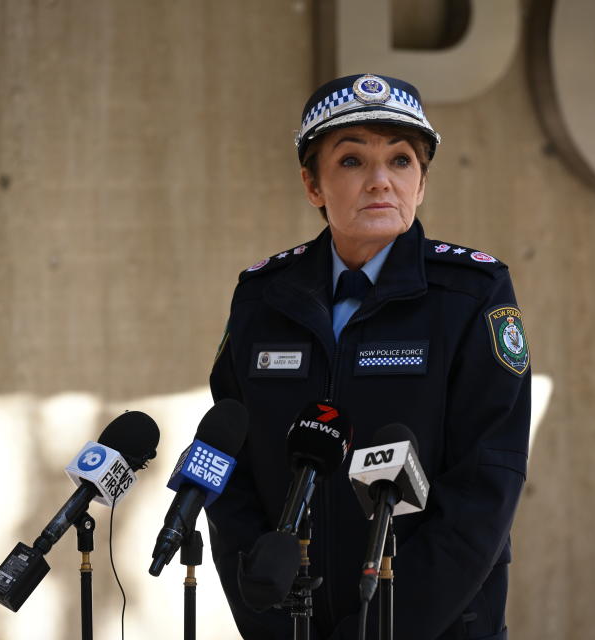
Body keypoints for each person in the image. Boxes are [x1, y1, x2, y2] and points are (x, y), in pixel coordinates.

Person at [207, 73, 531, 640]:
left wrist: (382, 630)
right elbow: (227, 473)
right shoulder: (262, 298)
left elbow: (485, 487)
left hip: (435, 628)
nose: (381, 181)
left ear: (422, 184)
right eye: (353, 161)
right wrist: (270, 620)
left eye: (401, 162)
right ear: (313, 185)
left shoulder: (471, 295)